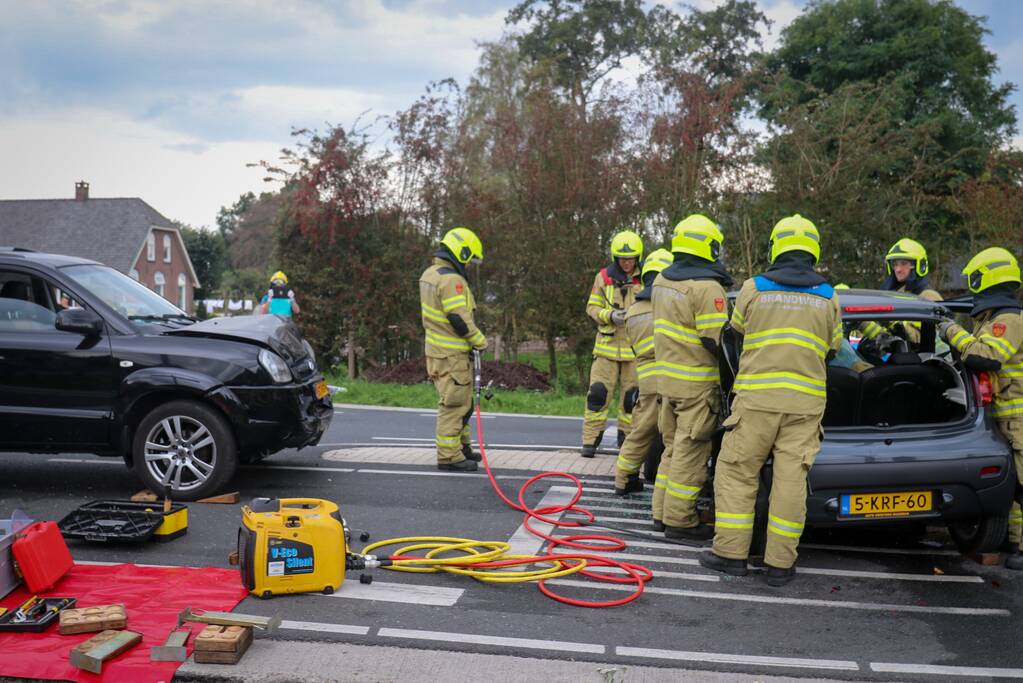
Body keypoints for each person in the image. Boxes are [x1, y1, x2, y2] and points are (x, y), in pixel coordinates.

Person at [700, 214, 842, 586]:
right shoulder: (829, 296)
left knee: (737, 473)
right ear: (813, 249)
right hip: (805, 404)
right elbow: (833, 349)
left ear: (776, 247)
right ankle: (780, 564)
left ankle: (730, 555)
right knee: (790, 481)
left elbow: (735, 335)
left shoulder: (753, 288)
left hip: (757, 399)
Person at [937, 247, 1022, 570]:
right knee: (1012, 487)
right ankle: (1013, 544)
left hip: (1018, 417)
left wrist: (950, 331)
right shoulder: (998, 317)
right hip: (1004, 416)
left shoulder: (1008, 320)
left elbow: (984, 357)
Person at [652, 215, 732, 540]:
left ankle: (660, 514)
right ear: (707, 246)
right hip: (698, 386)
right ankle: (680, 521)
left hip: (667, 384)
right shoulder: (707, 289)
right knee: (690, 453)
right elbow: (719, 343)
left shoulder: (661, 281)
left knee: (671, 451)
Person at [419, 227, 487, 472]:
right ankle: (449, 456)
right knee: (454, 404)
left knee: (462, 402)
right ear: (461, 252)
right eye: (468, 260)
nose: (468, 266)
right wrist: (480, 341)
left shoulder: (430, 274)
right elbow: (459, 319)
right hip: (453, 355)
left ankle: (461, 447)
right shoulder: (451, 280)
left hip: (437, 352)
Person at [614, 248, 673, 496]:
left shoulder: (634, 311)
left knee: (639, 433)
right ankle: (669, 493)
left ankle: (624, 480)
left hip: (646, 379)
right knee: (674, 437)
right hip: (672, 377)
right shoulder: (668, 304)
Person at [581, 231, 644, 458]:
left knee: (632, 400)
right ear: (615, 257)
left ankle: (626, 442)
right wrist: (610, 315)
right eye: (622, 259)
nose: (627, 263)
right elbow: (592, 308)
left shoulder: (645, 277)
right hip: (606, 349)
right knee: (597, 395)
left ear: (638, 257)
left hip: (634, 350)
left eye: (631, 259)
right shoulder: (603, 277)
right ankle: (590, 441)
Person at [860, 238, 941, 346]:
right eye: (895, 264)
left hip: (924, 359)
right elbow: (888, 338)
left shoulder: (929, 296)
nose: (898, 269)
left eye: (904, 263)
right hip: (897, 356)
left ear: (919, 265)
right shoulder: (894, 294)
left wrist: (892, 321)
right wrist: (862, 323)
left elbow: (924, 338)